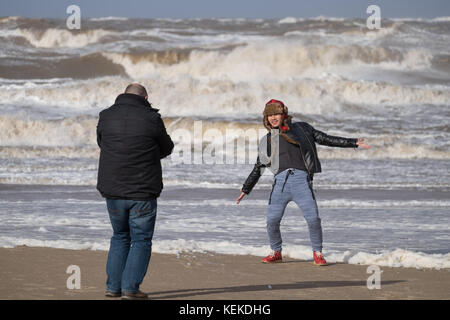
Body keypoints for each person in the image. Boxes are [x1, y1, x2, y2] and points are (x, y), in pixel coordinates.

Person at [236, 99, 370, 266]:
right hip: (280, 183)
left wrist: (353, 143)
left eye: (276, 113)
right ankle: (276, 252)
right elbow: (259, 166)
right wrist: (246, 188)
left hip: (301, 181)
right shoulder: (268, 140)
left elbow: (325, 139)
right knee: (272, 221)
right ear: (266, 118)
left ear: (283, 113)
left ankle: (318, 253)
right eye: (269, 115)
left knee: (313, 219)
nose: (273, 117)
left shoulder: (302, 128)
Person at [96, 83, 174, 299]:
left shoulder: (106, 115)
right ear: (146, 98)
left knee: (119, 236)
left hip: (112, 189)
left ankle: (113, 287)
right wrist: (148, 153)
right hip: (142, 190)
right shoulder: (151, 118)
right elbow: (167, 147)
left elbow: (103, 143)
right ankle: (130, 288)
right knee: (140, 239)